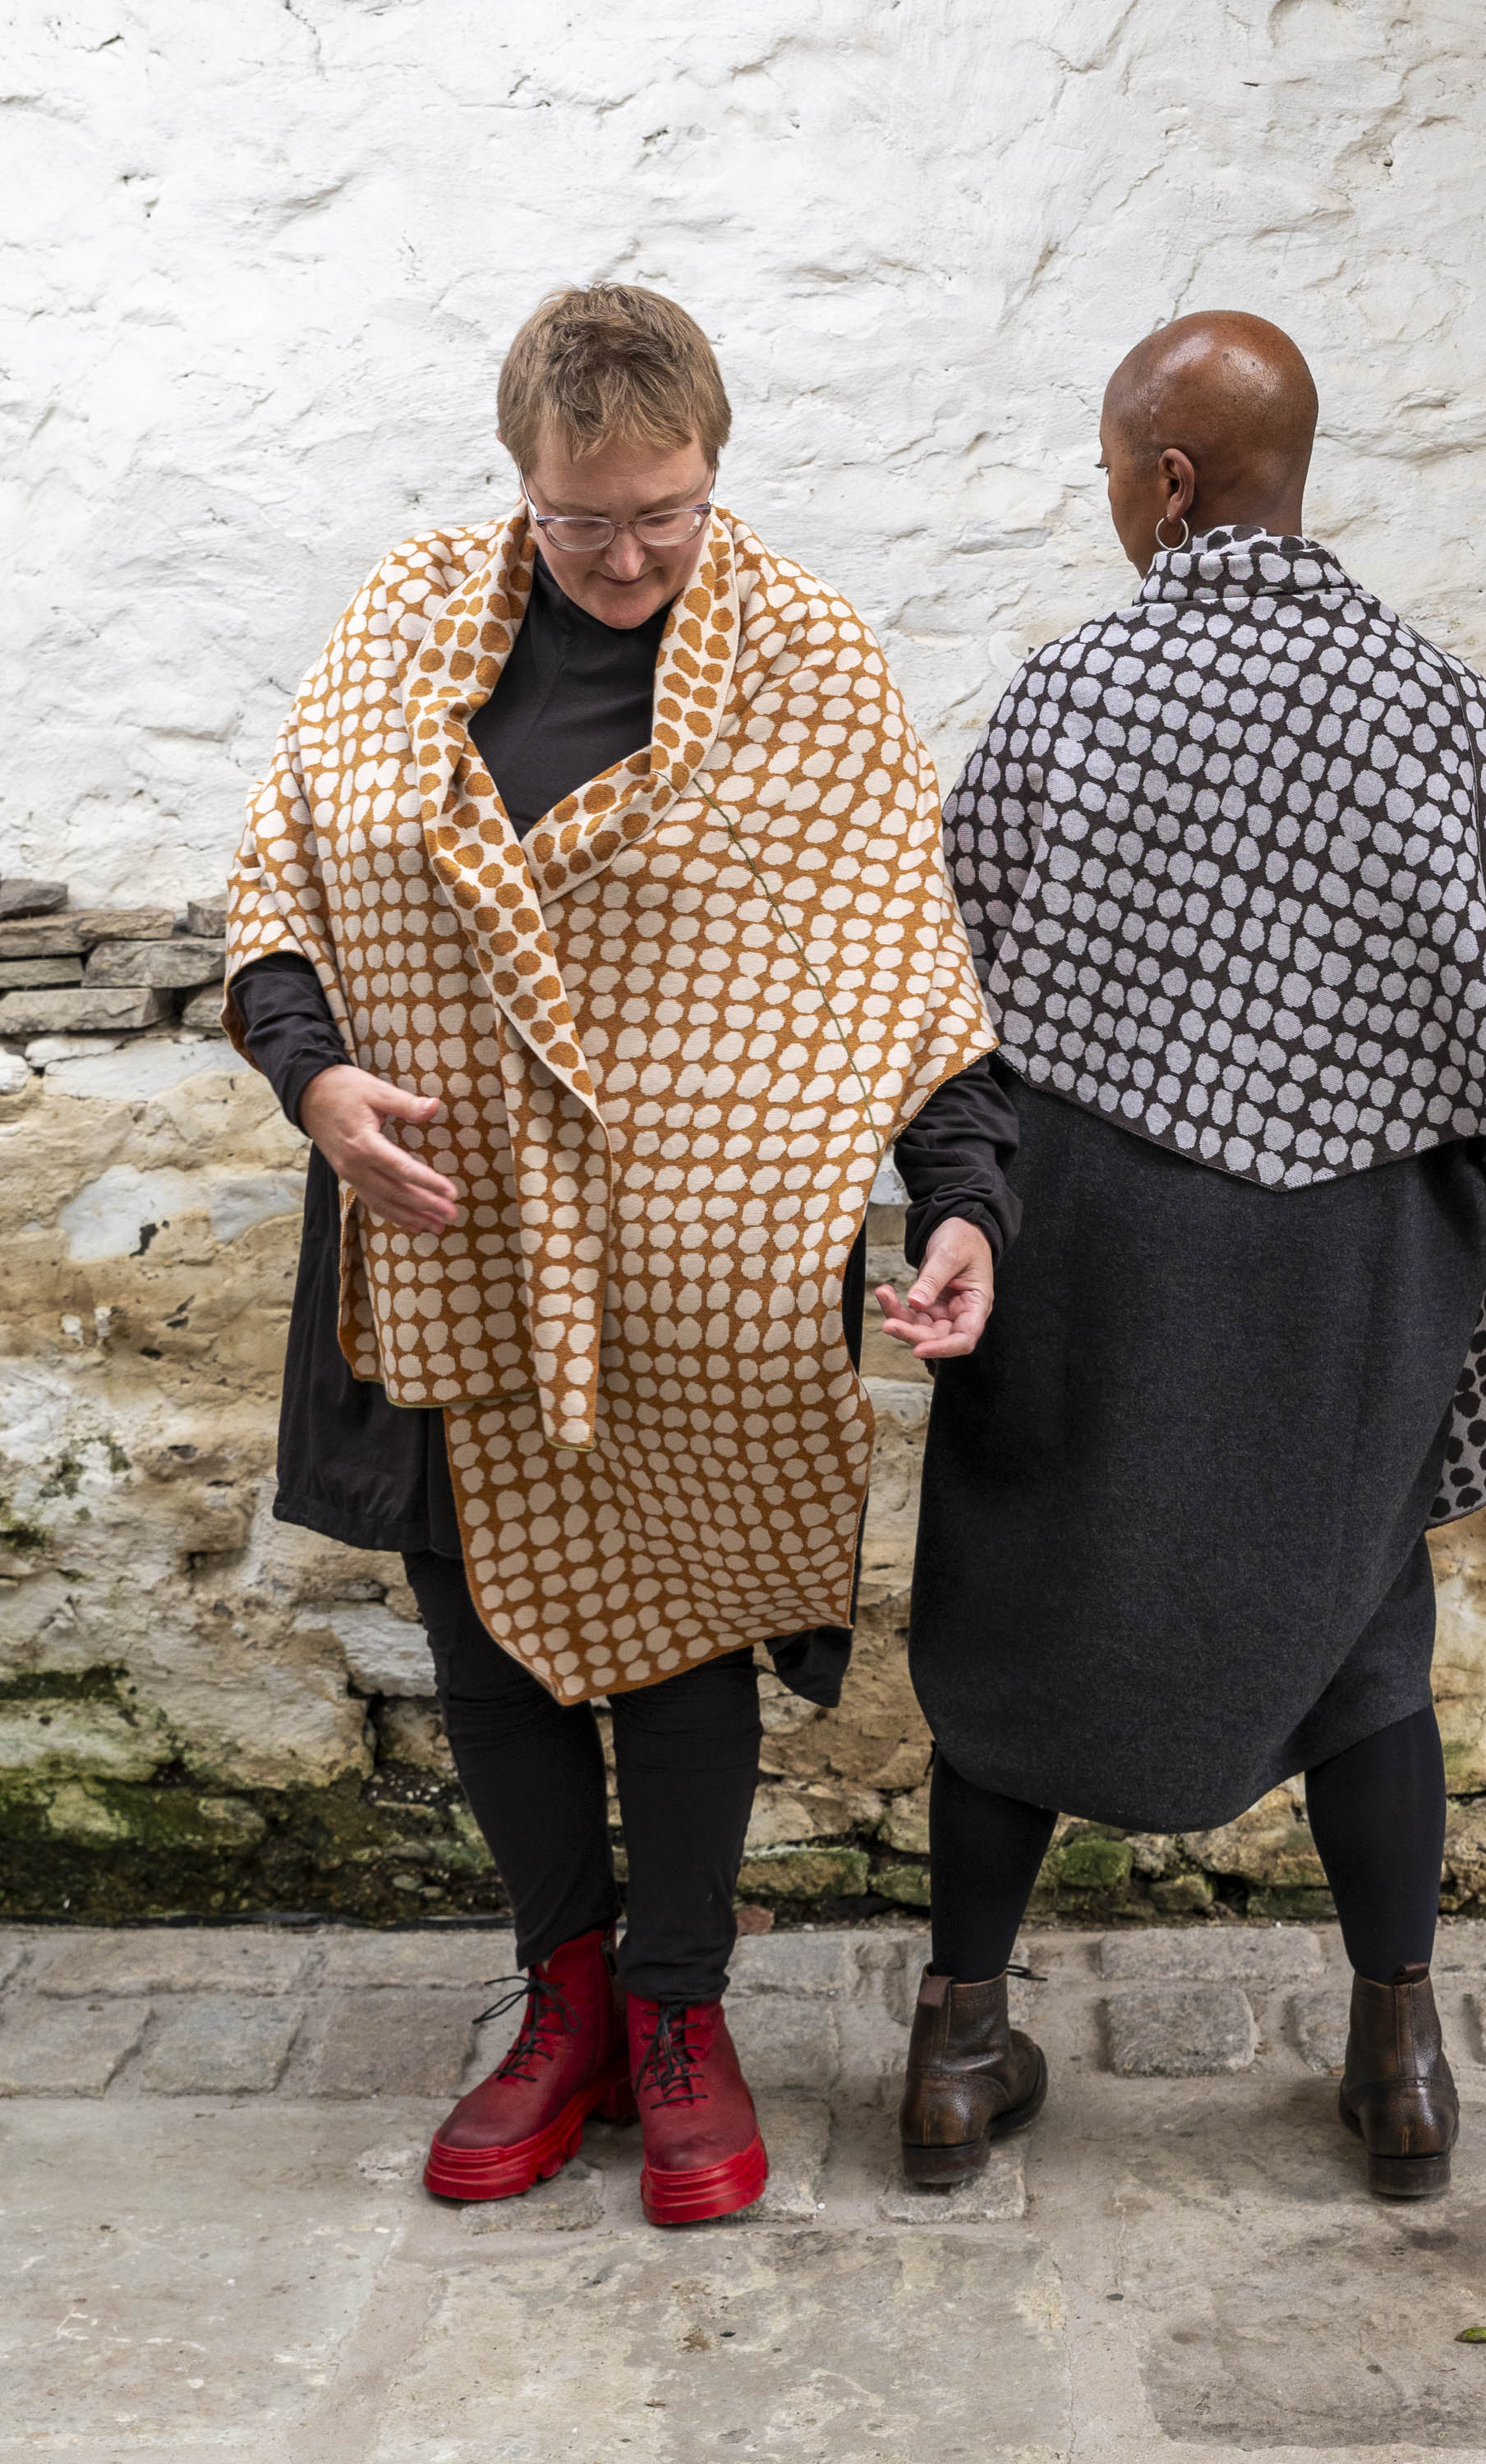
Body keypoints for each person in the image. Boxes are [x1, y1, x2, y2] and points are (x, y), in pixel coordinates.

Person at [886, 311, 1486, 2200]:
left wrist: (951, 1211)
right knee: (1359, 1643)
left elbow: (946, 990)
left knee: (1020, 1613)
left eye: (1107, 469)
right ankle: (1401, 2066)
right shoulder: (1442, 709)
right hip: (1353, 1267)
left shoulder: (1068, 696)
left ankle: (960, 2055)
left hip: (1091, 1248)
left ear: (1167, 476)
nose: (1108, 502)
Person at [224, 283, 1016, 2224]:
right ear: (523, 482)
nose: (634, 553)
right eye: (589, 520)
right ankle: (562, 2001)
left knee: (680, 1638)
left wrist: (969, 1206)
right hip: (444, 1231)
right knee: (485, 1635)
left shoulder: (811, 669)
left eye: (668, 509)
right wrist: (317, 1088)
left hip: (707, 1261)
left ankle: (680, 2013)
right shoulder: (404, 626)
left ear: (712, 468)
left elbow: (901, 986)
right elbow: (274, 906)